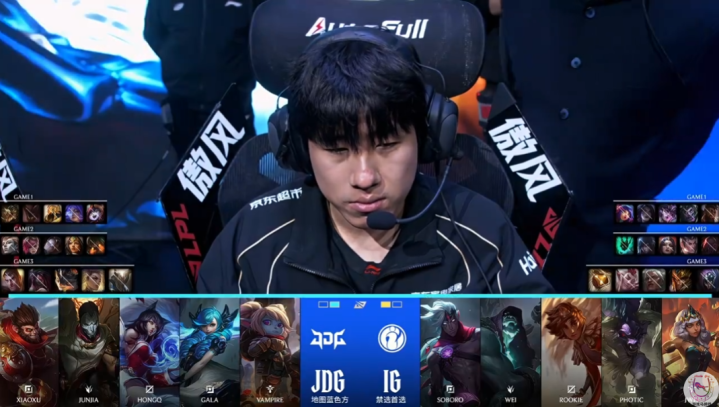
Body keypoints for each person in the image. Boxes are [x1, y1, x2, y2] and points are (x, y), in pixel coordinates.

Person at [196, 28, 555, 294]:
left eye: (387, 144)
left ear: (427, 137)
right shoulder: (249, 243)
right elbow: (202, 364)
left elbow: (549, 360)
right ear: (301, 148)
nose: (365, 178)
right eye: (337, 150)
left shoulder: (482, 231)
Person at [468, 0, 719, 291]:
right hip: (497, 228)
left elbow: (694, 123)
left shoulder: (696, 20)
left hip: (603, 245)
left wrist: (625, 187)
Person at [143, 0, 261, 158]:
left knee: (240, 167)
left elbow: (262, 36)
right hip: (182, 104)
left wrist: (239, 71)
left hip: (232, 104)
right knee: (185, 167)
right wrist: (175, 63)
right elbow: (152, 33)